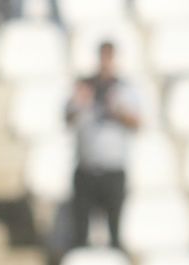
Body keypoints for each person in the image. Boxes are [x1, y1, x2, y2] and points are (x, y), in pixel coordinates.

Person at [66, 42, 139, 251]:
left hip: (113, 169)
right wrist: (81, 102)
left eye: (110, 58)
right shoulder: (84, 87)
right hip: (86, 168)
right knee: (80, 235)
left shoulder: (124, 88)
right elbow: (67, 118)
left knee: (115, 233)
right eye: (103, 58)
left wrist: (118, 111)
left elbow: (137, 123)